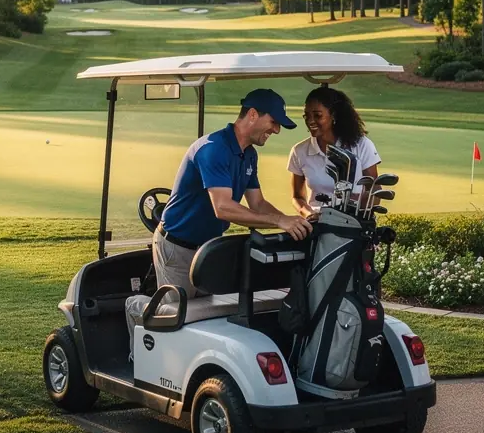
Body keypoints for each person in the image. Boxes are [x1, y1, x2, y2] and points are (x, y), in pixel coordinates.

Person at [151, 89, 313, 305]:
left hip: (207, 250)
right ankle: (134, 307)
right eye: (274, 122)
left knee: (203, 317)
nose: (276, 130)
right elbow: (223, 207)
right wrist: (279, 221)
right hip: (177, 248)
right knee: (173, 315)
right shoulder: (213, 149)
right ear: (253, 114)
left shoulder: (249, 154)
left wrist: (294, 223)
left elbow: (258, 203)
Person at [288, 86, 380, 218]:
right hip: (317, 224)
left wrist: (353, 206)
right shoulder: (299, 151)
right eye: (306, 116)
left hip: (354, 221)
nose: (310, 121)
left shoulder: (362, 145)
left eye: (317, 115)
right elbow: (297, 197)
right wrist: (310, 215)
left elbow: (374, 190)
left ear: (334, 115)